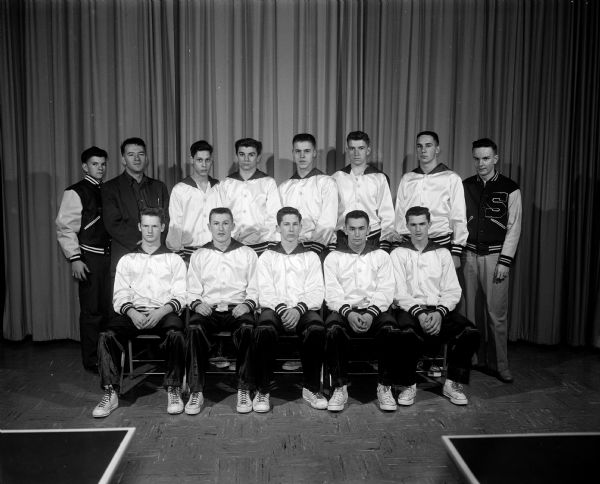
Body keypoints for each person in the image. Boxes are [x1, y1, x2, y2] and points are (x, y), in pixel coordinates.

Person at [93, 208, 186, 418]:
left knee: (176, 334)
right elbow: (119, 295)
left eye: (155, 226)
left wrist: (161, 312)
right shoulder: (127, 260)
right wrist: (133, 313)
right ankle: (111, 392)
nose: (150, 231)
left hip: (163, 312)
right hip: (134, 313)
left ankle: (173, 389)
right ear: (139, 227)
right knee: (108, 335)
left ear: (162, 227)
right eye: (146, 226)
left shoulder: (174, 260)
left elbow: (181, 295)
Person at [391, 206, 480, 406]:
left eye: (422, 224)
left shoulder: (442, 253)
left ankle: (452, 383)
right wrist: (420, 314)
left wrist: (440, 313)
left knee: (470, 331)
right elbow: (398, 292)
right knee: (405, 333)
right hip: (409, 310)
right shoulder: (398, 253)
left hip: (438, 310)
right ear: (407, 226)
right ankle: (408, 384)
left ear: (429, 224)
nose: (418, 229)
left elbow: (452, 290)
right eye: (413, 225)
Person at [324, 210, 401, 412]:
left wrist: (370, 313)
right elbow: (332, 293)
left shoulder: (381, 256)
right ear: (344, 230)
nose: (357, 234)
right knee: (332, 330)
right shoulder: (333, 257)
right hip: (344, 310)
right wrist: (348, 313)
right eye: (352, 229)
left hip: (373, 310)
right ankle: (339, 387)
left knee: (391, 330)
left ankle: (384, 387)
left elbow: (386, 290)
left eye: (361, 229)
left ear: (369, 230)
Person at [253, 207, 328, 412]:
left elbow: (316, 290)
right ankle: (263, 389)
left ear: (301, 226)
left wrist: (298, 309)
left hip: (303, 309)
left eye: (295, 224)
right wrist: (283, 309)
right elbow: (264, 290)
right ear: (278, 227)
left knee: (316, 328)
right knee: (264, 329)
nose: (291, 229)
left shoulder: (311, 256)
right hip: (274, 307)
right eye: (286, 224)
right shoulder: (267, 257)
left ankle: (311, 388)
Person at [185, 207, 258, 415]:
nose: (221, 228)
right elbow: (192, 290)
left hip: (238, 307)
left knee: (247, 328)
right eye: (216, 223)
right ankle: (196, 391)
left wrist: (248, 304)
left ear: (233, 226)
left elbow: (255, 288)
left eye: (226, 223)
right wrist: (197, 304)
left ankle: (243, 388)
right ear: (209, 227)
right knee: (194, 328)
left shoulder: (247, 253)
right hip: (210, 309)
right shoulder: (199, 255)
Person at [461, 138, 522, 383]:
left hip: (496, 256)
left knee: (496, 315)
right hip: (469, 254)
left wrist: (505, 262)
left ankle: (501, 365)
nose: (481, 163)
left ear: (495, 159)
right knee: (468, 313)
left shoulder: (510, 188)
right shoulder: (465, 186)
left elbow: (514, 227)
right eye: (476, 158)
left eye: (486, 158)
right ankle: (470, 359)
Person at [56, 146, 111, 372]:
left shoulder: (107, 189)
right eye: (95, 164)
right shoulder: (75, 191)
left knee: (109, 310)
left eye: (103, 164)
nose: (100, 168)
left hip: (109, 258)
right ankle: (92, 360)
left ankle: (108, 357)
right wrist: (75, 258)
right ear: (84, 166)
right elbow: (65, 228)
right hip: (89, 258)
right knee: (92, 312)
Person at [394, 131, 467, 266]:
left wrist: (457, 251)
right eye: (419, 146)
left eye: (428, 145)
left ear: (437, 149)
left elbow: (459, 216)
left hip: (440, 244)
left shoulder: (451, 178)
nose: (423, 150)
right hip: (410, 244)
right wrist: (398, 243)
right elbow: (399, 213)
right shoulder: (408, 178)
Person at [102, 137, 170, 276]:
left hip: (157, 256)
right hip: (125, 255)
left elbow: (166, 218)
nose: (137, 159)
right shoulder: (110, 188)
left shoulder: (159, 187)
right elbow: (112, 223)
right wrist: (141, 243)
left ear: (146, 158)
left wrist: (154, 243)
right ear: (123, 159)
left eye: (141, 154)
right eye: (131, 155)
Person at [331, 131, 395, 251]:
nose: (356, 153)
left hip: (373, 237)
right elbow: (331, 213)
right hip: (343, 238)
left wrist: (386, 240)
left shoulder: (379, 177)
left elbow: (387, 213)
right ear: (347, 150)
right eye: (352, 148)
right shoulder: (336, 178)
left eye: (361, 148)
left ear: (368, 150)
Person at [219, 138, 282, 255]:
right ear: (237, 156)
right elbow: (221, 215)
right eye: (242, 154)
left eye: (251, 155)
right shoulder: (226, 183)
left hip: (261, 245)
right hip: (232, 244)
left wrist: (264, 238)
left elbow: (273, 216)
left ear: (258, 157)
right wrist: (231, 235)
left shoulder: (268, 182)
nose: (246, 159)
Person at [278, 133, 338, 255]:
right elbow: (278, 220)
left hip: (321, 248)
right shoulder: (283, 187)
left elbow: (328, 219)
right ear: (293, 153)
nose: (302, 156)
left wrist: (316, 247)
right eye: (298, 151)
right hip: (292, 248)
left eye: (307, 151)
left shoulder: (326, 182)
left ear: (314, 153)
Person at [166, 140, 222, 261]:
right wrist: (179, 257)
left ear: (211, 160)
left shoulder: (218, 188)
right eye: (199, 160)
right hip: (188, 253)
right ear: (192, 159)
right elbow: (175, 224)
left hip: (215, 252)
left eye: (207, 160)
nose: (204, 165)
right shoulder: (180, 189)